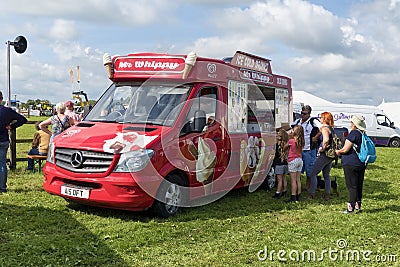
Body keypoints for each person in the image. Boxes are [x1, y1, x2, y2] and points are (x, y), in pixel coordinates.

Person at [336, 115, 367, 213]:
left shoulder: (353, 134)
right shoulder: (363, 134)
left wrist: (338, 152)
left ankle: (350, 207)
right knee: (358, 184)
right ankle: (358, 204)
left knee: (351, 185)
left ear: (354, 125)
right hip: (361, 162)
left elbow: (345, 149)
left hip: (350, 162)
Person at [0, 91, 27, 193]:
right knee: (2, 163)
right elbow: (22, 119)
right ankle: (2, 188)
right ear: (1, 99)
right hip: (3, 139)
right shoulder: (7, 111)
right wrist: (12, 126)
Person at [290, 105, 321, 191]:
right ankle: (298, 185)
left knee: (309, 169)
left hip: (309, 150)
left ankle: (308, 186)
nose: (302, 115)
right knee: (299, 168)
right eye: (301, 113)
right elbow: (289, 126)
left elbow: (323, 128)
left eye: (304, 114)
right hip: (299, 150)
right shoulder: (298, 121)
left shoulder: (313, 121)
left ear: (309, 114)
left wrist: (316, 137)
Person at [308, 112, 335, 201]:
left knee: (313, 174)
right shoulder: (331, 128)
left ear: (324, 118)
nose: (320, 119)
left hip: (324, 154)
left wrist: (322, 149)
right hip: (330, 155)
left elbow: (326, 140)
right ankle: (327, 194)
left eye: (321, 117)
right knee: (326, 175)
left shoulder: (325, 128)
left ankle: (311, 194)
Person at [287, 125, 305, 202]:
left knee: (293, 180)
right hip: (300, 160)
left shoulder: (291, 141)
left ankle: (293, 196)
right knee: (298, 179)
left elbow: (285, 147)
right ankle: (299, 195)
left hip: (292, 160)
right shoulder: (302, 141)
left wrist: (289, 136)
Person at [272, 129, 289, 199]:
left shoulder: (277, 145)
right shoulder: (287, 144)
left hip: (279, 164)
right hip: (285, 163)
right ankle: (285, 191)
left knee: (279, 180)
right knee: (284, 178)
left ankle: (278, 192)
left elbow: (274, 155)